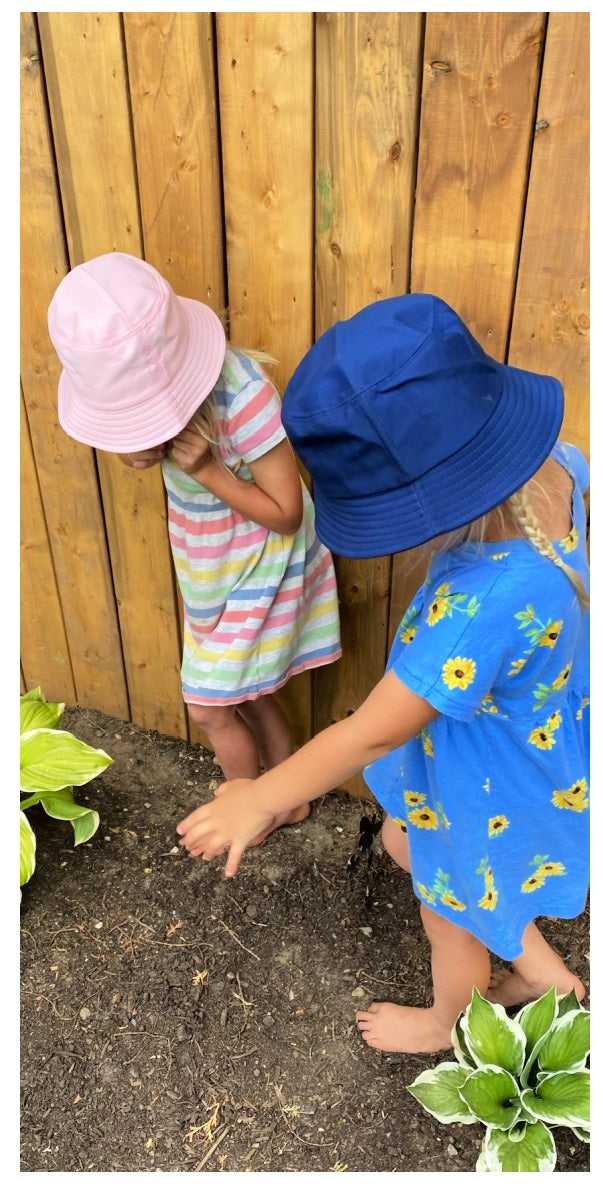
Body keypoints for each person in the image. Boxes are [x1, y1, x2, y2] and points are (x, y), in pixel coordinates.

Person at [176, 293, 590, 1055]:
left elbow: (369, 734)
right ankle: (546, 976)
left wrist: (259, 797)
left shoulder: (475, 610)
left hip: (483, 777)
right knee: (413, 845)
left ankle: (447, 1022)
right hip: (531, 742)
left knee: (451, 909)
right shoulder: (563, 470)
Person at [48, 251, 342, 843]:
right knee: (246, 693)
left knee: (208, 705)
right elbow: (138, 438)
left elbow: (286, 514)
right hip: (208, 565)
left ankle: (247, 811)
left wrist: (208, 470)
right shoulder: (161, 418)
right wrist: (137, 445)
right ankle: (289, 794)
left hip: (262, 561)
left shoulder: (245, 398)